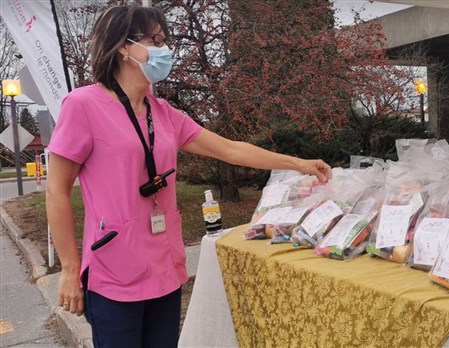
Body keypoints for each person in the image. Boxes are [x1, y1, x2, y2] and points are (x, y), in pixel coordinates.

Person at [45, 4, 331, 348]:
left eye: (165, 40)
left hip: (164, 267)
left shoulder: (163, 113)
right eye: (155, 40)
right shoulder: (83, 105)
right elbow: (57, 192)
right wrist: (69, 268)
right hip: (113, 272)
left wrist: (298, 163)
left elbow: (230, 149)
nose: (164, 50)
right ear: (123, 46)